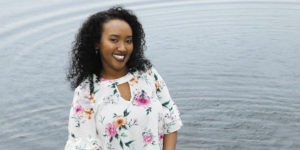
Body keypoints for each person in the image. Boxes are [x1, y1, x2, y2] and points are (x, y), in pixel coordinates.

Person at [65, 6, 182, 150]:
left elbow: (171, 121)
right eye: (114, 40)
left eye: (128, 41)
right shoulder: (86, 93)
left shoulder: (147, 74)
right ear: (96, 44)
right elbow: (82, 145)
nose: (123, 48)